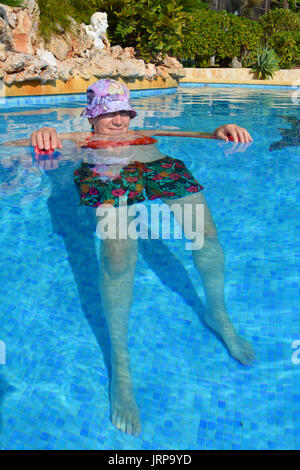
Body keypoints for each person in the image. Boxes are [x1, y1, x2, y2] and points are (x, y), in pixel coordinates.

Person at [5, 79, 254, 437]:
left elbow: (186, 133)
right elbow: (18, 145)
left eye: (124, 111)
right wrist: (41, 133)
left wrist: (218, 130)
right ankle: (121, 368)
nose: (119, 121)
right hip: (108, 176)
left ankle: (217, 312)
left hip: (159, 169)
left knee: (206, 235)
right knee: (119, 256)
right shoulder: (81, 138)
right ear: (92, 115)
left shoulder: (144, 133)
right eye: (109, 113)